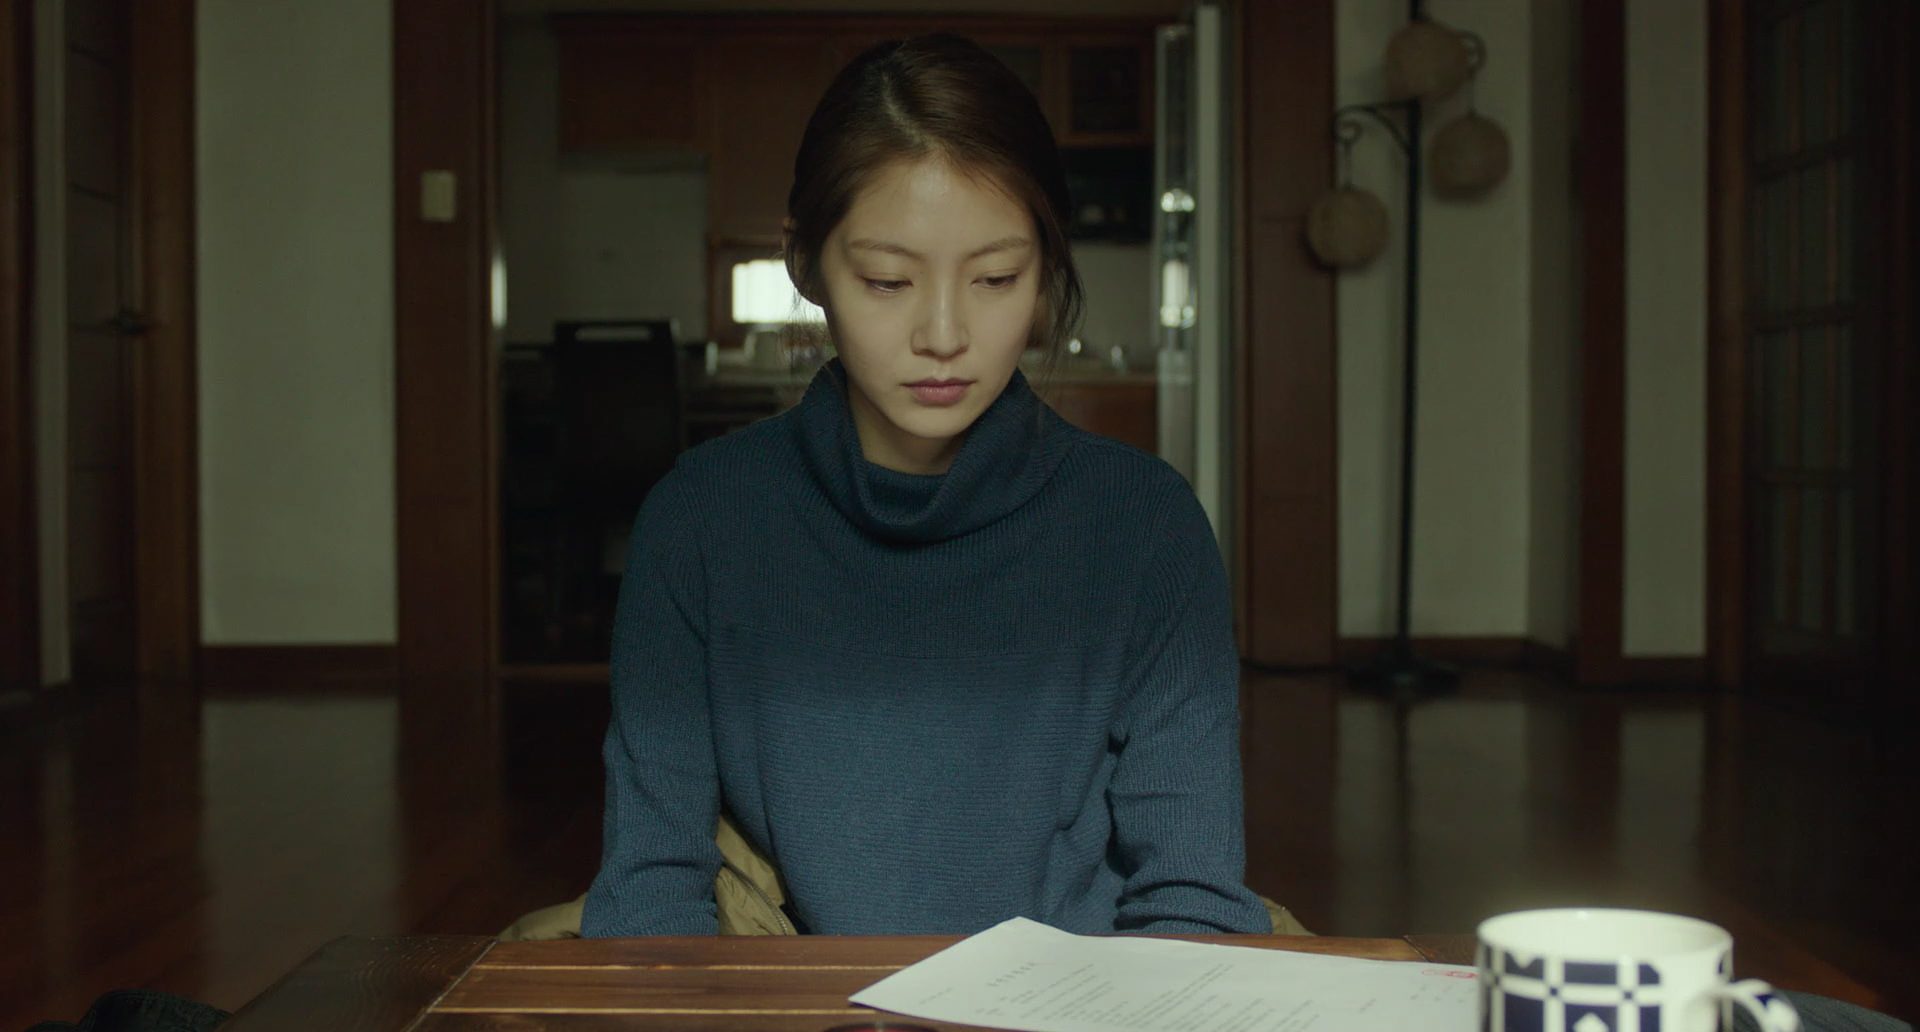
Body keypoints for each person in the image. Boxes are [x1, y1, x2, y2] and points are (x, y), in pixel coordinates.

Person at [580, 32, 1270, 937]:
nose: (943, 335)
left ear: (1045, 272)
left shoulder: (1144, 527)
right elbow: (648, 900)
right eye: (887, 280)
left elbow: (1193, 902)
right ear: (805, 264)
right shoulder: (702, 521)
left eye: (996, 278)